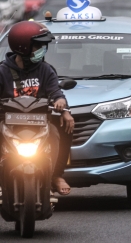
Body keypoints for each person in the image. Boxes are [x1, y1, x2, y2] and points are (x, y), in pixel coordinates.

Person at [0, 21, 75, 195]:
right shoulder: (2, 71)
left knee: (63, 129)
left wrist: (63, 107)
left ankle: (55, 175)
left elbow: (56, 92)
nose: (42, 49)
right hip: (7, 123)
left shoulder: (46, 70)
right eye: (38, 46)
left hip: (39, 122)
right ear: (23, 47)